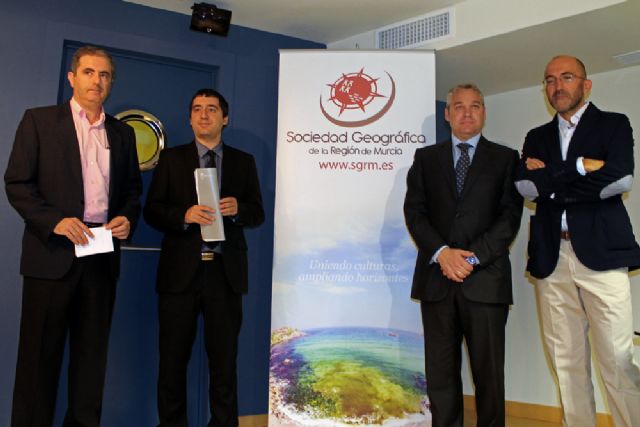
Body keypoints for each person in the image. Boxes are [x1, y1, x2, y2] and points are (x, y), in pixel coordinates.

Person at [4, 45, 142, 426]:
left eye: (104, 74)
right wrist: (55, 222)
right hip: (52, 254)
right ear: (72, 78)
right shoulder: (39, 121)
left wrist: (127, 218)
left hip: (101, 257)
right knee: (38, 362)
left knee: (91, 361)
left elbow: (132, 191)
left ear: (110, 83)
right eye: (89, 72)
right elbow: (17, 183)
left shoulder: (123, 134)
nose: (97, 80)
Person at [515, 55, 640, 426]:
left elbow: (620, 179)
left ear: (586, 84)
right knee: (566, 363)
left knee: (618, 360)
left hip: (603, 254)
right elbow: (525, 186)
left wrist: (553, 185)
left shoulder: (614, 124)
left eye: (567, 77)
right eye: (550, 79)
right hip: (551, 258)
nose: (557, 86)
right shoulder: (536, 137)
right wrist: (582, 166)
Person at [404, 84, 523, 427]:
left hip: (485, 282)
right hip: (436, 281)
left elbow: (509, 218)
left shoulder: (506, 158)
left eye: (475, 106)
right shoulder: (425, 159)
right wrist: (443, 254)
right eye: (458, 106)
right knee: (440, 375)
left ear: (484, 112)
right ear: (447, 114)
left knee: (489, 376)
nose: (467, 113)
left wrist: (469, 260)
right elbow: (415, 212)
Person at [144, 88, 264, 427]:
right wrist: (183, 215)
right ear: (190, 118)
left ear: (225, 118)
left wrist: (239, 210)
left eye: (212, 109)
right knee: (172, 362)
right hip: (179, 275)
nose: (204, 114)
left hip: (225, 276)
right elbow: (152, 210)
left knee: (224, 364)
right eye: (197, 109)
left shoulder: (243, 162)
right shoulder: (171, 159)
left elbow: (257, 213)